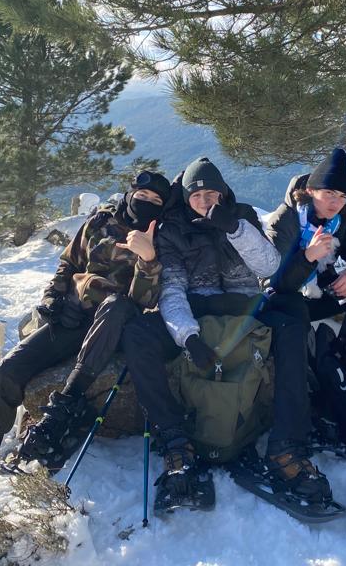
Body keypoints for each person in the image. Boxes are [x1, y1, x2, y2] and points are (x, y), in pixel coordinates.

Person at [121, 157, 332, 508]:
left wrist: (232, 227)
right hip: (199, 310)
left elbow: (267, 265)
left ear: (223, 192)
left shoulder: (242, 216)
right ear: (186, 196)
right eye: (196, 195)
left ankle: (286, 444)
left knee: (294, 314)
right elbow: (171, 289)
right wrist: (187, 337)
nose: (204, 201)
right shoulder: (173, 228)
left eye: (212, 193)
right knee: (138, 332)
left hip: (244, 305)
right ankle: (176, 442)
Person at [0, 170, 170, 492]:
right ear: (130, 193)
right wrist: (53, 297)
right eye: (142, 195)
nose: (146, 203)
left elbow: (144, 300)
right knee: (7, 372)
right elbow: (69, 262)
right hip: (70, 317)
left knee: (118, 305)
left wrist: (148, 259)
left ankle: (67, 402)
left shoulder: (158, 238)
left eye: (156, 201)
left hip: (112, 324)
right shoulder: (99, 222)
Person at [264, 147, 346, 355]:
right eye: (329, 193)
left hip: (321, 292)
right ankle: (311, 368)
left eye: (342, 196)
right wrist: (308, 256)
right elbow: (274, 283)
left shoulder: (340, 219)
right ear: (311, 190)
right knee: (293, 307)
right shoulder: (285, 220)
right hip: (287, 300)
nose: (335, 202)